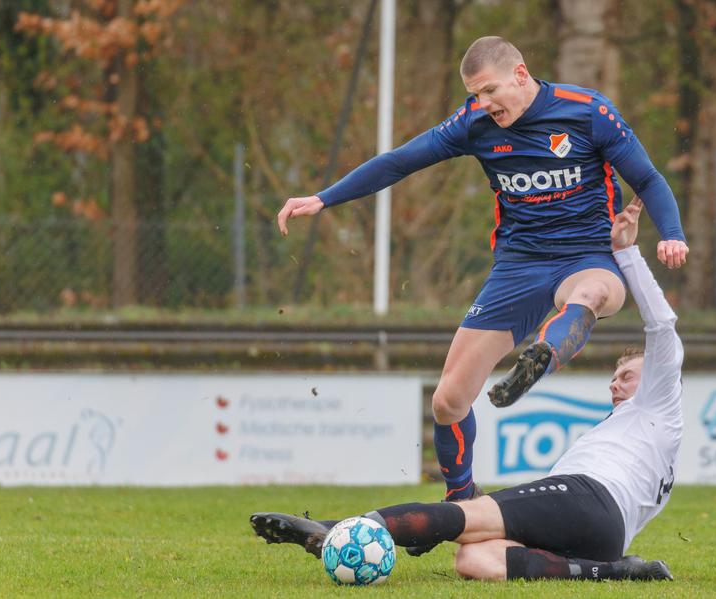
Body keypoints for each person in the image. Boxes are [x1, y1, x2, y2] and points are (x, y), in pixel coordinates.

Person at [277, 36, 689, 507]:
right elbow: (399, 162)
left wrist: (670, 232)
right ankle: (462, 499)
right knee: (447, 401)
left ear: (520, 74)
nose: (483, 103)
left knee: (593, 294)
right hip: (517, 267)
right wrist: (323, 197)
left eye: (490, 90)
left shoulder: (588, 112)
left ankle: (537, 362)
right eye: (475, 94)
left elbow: (649, 178)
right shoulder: (474, 124)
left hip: (587, 256)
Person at [252, 197, 685, 582]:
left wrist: (627, 254)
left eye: (627, 375)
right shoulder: (641, 432)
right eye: (615, 375)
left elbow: (662, 325)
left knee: (464, 516)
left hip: (586, 498)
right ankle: (616, 571)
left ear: (659, 377)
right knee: (475, 561)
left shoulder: (661, 401)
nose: (616, 381)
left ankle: (335, 528)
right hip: (603, 534)